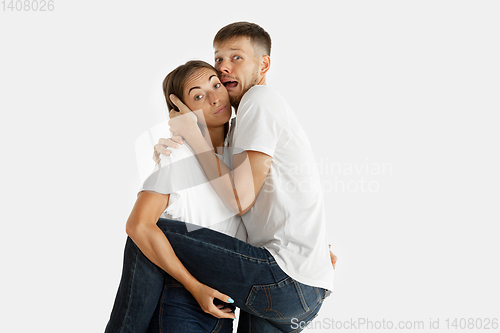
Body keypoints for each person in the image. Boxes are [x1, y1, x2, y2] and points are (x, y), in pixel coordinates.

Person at [107, 22, 336, 333]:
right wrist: (316, 249)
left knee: (152, 228)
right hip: (299, 289)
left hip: (281, 275)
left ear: (263, 64)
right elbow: (280, 194)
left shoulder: (259, 101)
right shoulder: (228, 144)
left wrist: (193, 136)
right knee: (147, 228)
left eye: (236, 58)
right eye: (218, 59)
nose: (225, 68)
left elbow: (240, 200)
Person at [105, 60, 244, 333]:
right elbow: (138, 225)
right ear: (181, 111)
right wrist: (195, 287)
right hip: (182, 301)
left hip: (224, 308)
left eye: (216, 85)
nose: (215, 97)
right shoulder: (177, 155)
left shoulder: (239, 157)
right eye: (198, 95)